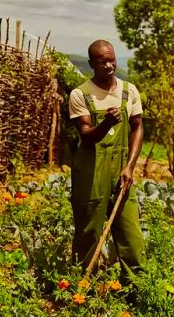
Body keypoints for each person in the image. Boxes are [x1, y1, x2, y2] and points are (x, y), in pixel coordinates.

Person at [68, 39, 144, 282]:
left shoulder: (129, 91)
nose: (110, 65)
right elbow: (87, 137)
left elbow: (138, 127)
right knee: (88, 232)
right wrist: (107, 123)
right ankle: (82, 287)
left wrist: (130, 166)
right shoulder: (81, 95)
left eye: (112, 60)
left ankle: (136, 286)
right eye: (103, 62)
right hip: (91, 172)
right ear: (92, 64)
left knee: (130, 232)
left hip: (121, 170)